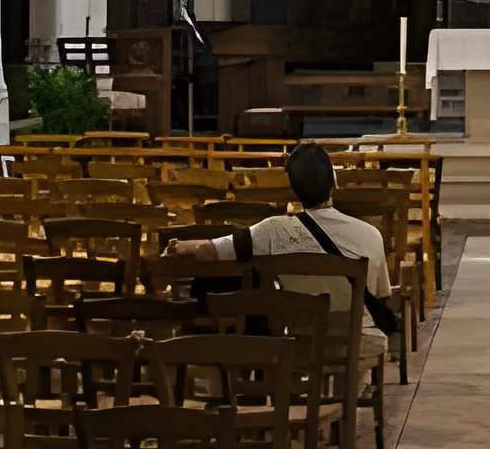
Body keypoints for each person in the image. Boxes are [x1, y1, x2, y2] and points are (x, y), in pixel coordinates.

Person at [168, 141, 394, 344]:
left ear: (294, 189)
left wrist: (178, 246)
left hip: (302, 341)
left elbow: (211, 250)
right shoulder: (371, 234)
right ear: (334, 181)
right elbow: (383, 297)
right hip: (358, 343)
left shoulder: (273, 230)